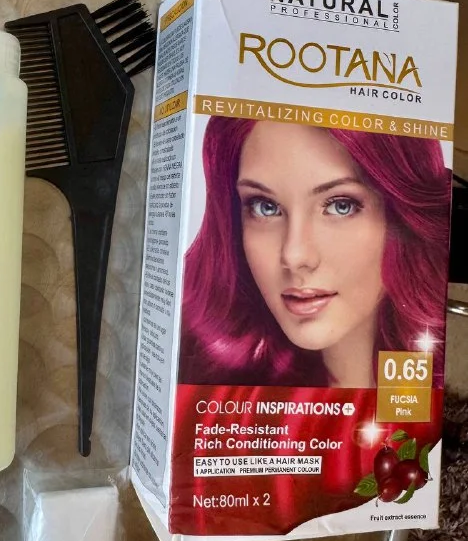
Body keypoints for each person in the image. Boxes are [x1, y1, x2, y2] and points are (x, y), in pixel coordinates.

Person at [180, 118, 451, 388]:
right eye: (265, 207)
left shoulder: (432, 394)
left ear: (402, 217)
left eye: (341, 205)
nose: (294, 256)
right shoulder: (212, 397)